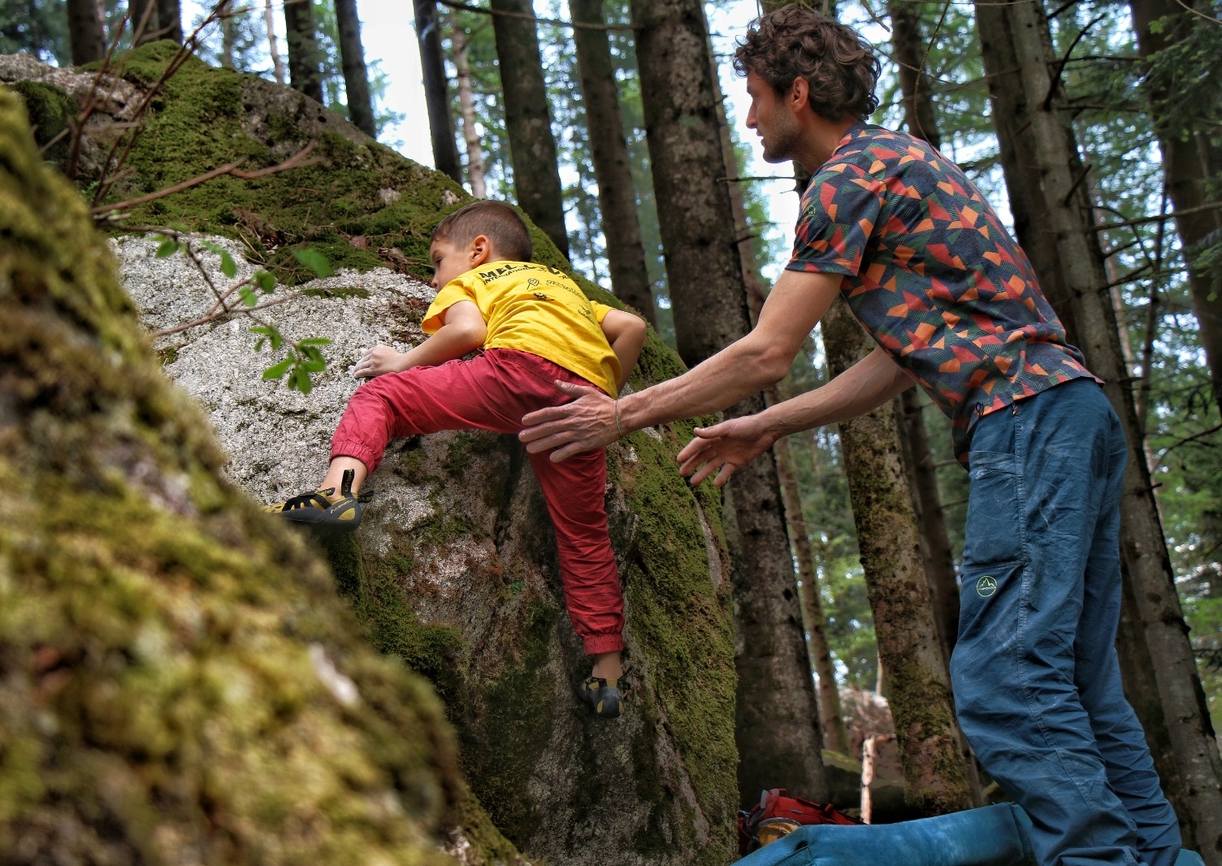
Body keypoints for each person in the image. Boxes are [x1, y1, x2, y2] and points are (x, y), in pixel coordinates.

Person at [518, 6, 1185, 864]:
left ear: (798, 93)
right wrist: (767, 424)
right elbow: (898, 361)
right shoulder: (905, 163)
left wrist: (621, 413)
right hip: (1071, 412)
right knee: (1080, 687)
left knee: (1008, 681)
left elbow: (766, 348)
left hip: (1025, 424)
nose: (749, 117)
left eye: (755, 98)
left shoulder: (845, 180)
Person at [272, 199, 647, 718]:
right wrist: (603, 400)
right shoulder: (564, 289)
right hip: (581, 403)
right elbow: (632, 328)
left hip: (514, 372)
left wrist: (400, 361)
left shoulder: (476, 280)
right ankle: (607, 676)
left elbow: (467, 332)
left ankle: (337, 494)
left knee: (381, 397)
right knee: (584, 535)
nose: (433, 280)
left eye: (436, 260)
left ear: (477, 251)